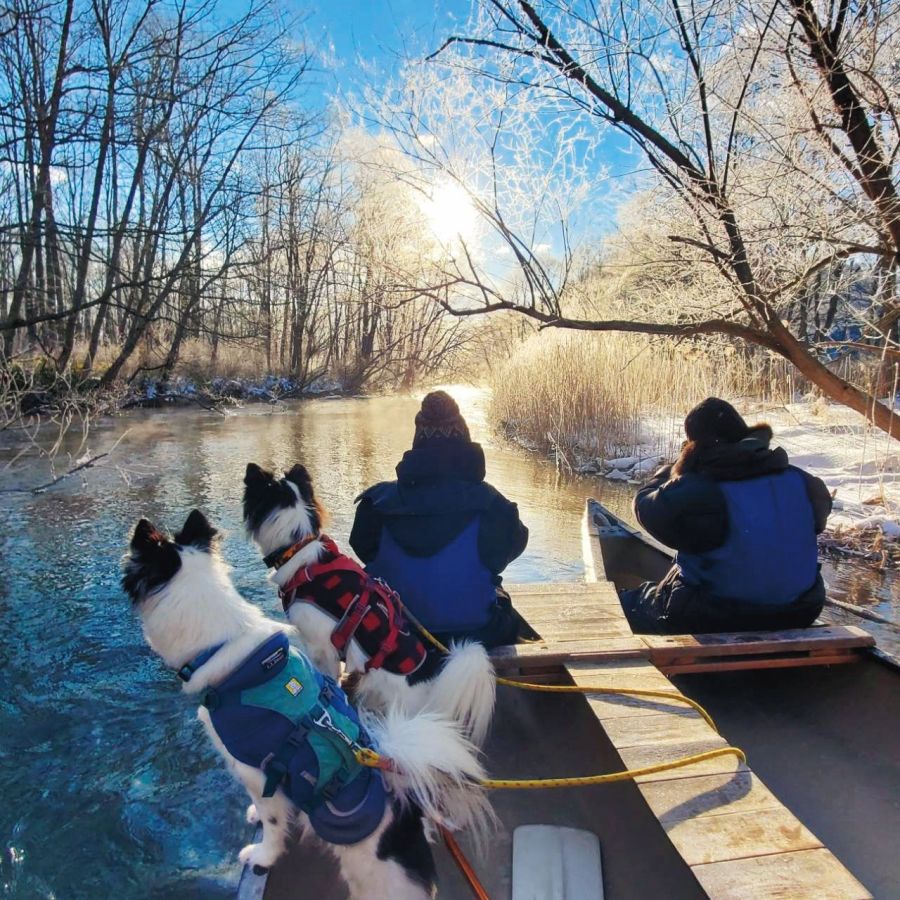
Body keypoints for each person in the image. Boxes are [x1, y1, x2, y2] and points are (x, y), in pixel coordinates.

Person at [621, 397, 832, 634]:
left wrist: (673, 470)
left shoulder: (702, 490)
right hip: (801, 609)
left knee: (623, 605)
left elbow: (646, 508)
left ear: (695, 446)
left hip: (716, 615)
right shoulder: (804, 482)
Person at [350, 390, 532, 648]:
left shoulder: (375, 503)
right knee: (501, 601)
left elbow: (364, 549)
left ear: (417, 441)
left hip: (394, 634)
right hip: (475, 634)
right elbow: (510, 549)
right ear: (464, 438)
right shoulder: (493, 505)